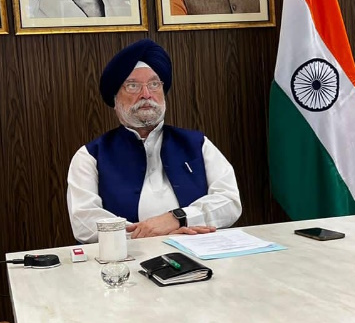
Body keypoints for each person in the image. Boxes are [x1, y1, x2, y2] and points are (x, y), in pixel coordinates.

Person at [67, 39, 242, 242]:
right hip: (127, 258)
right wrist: (150, 235)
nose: (146, 94)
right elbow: (84, 222)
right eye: (133, 86)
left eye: (154, 84)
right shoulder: (91, 155)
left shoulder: (197, 144)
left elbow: (229, 202)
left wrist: (177, 218)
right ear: (115, 98)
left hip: (198, 251)